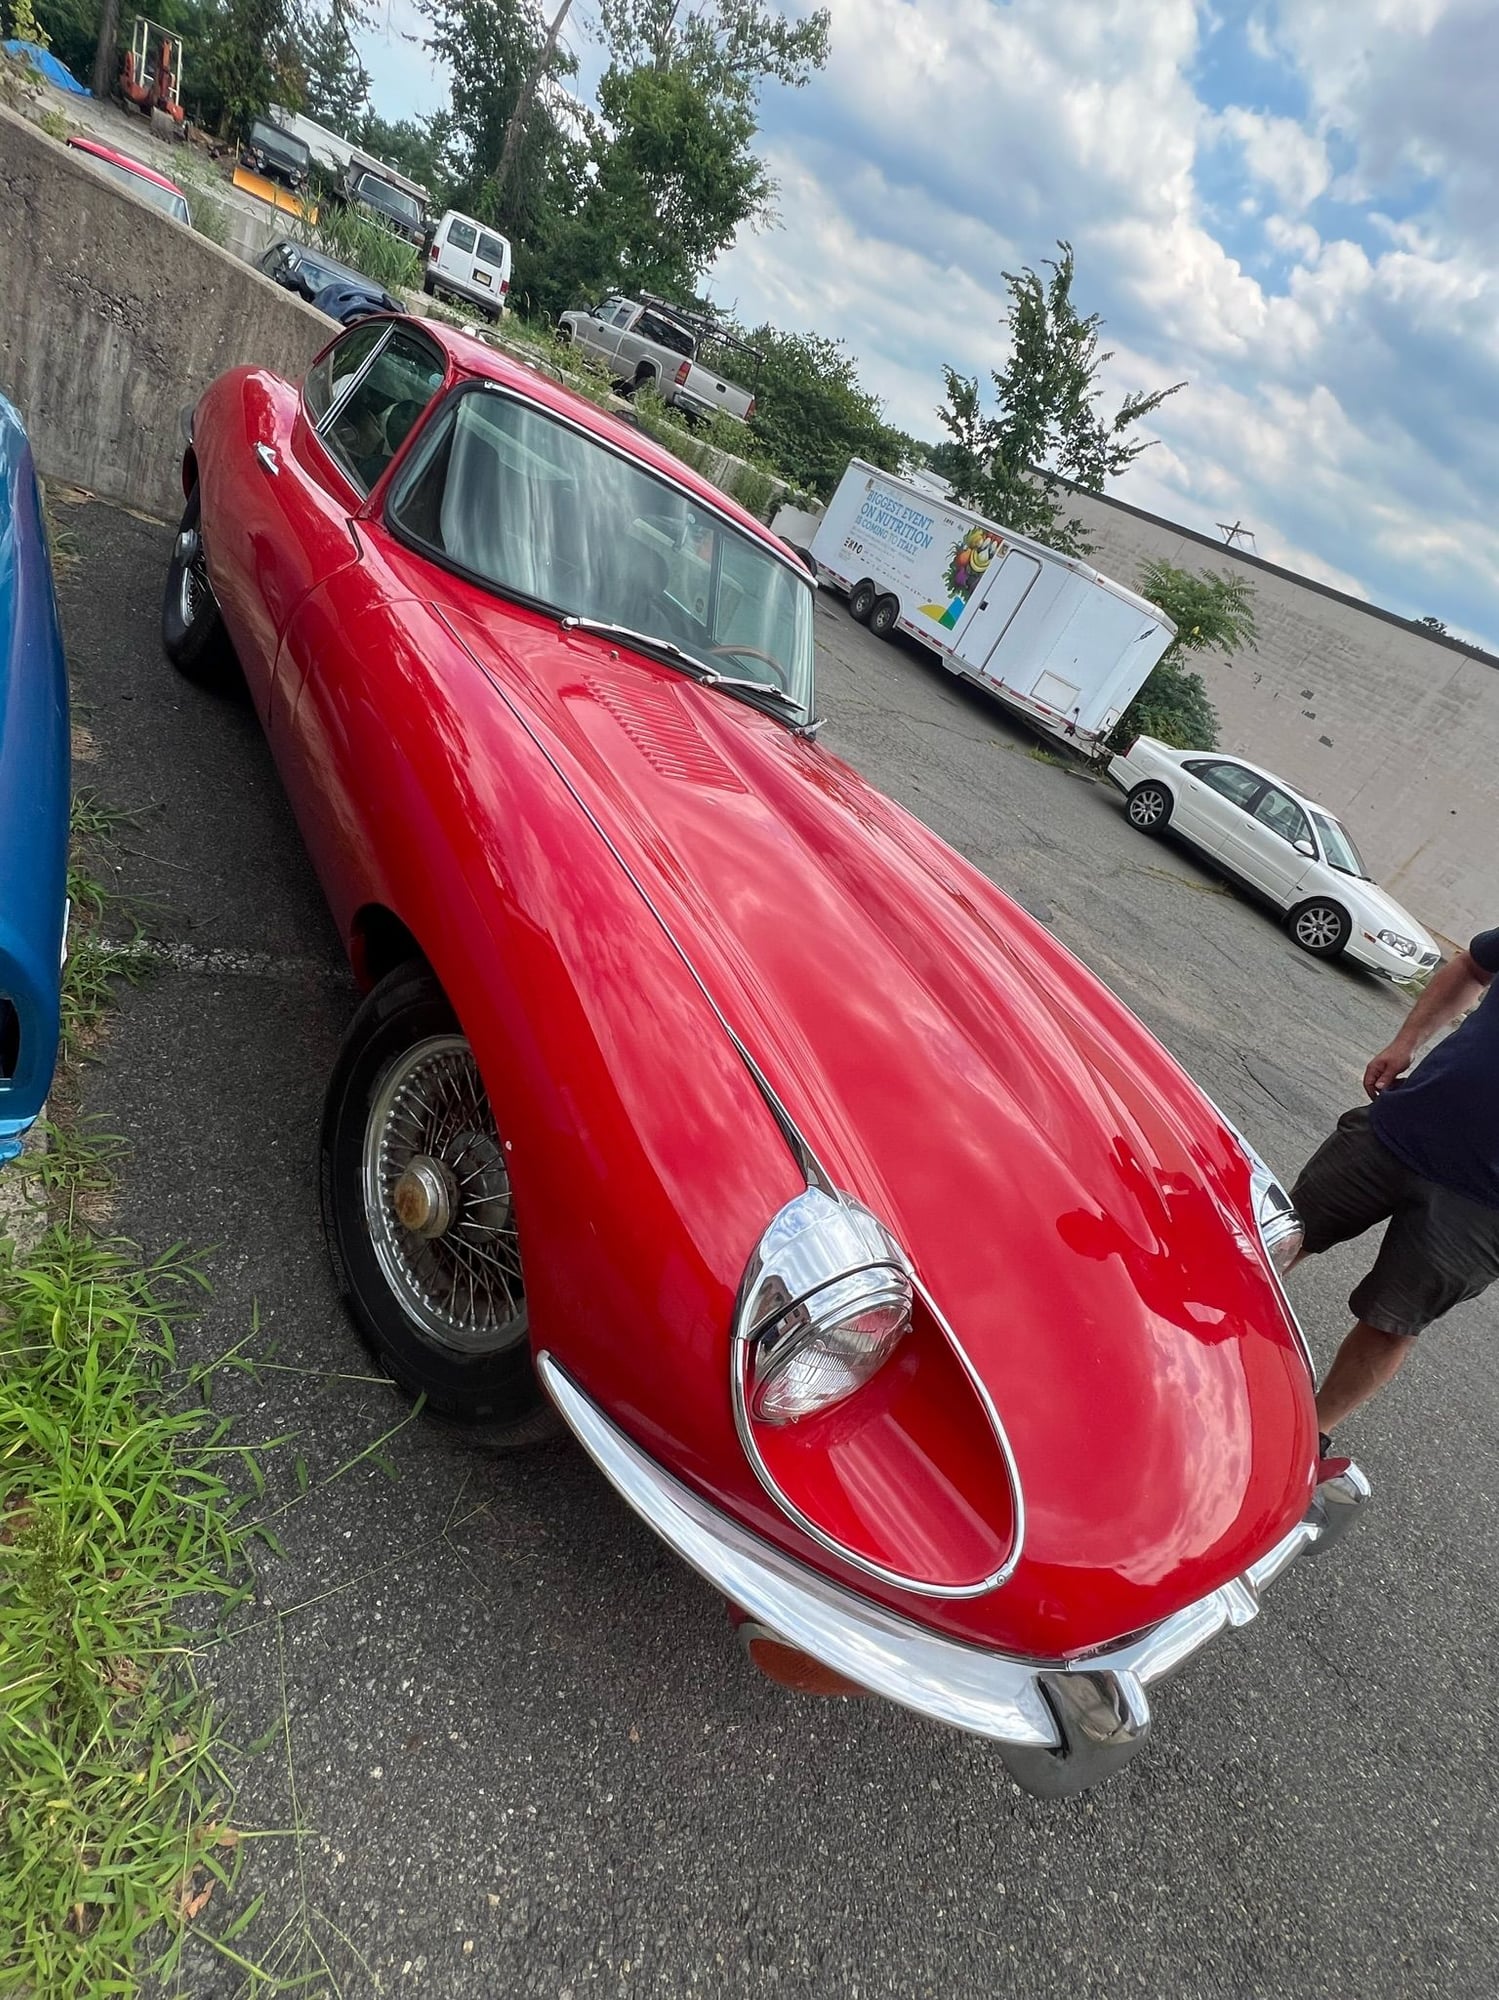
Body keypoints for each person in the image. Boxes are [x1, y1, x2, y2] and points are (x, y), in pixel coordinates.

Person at [1291, 930, 1499, 1451]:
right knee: (1282, 1235)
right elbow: (1473, 966)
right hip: (1400, 1130)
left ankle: (1306, 1439)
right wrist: (1405, 1042)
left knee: (1392, 1324)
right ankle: (1185, 1331)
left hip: (1484, 1207)